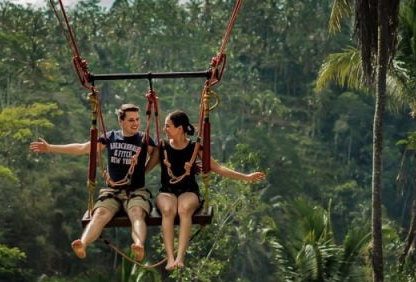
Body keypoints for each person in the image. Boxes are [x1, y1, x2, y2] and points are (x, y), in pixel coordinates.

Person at [29, 103, 158, 261]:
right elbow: (83, 148)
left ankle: (138, 244)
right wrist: (50, 148)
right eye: (131, 120)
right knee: (100, 214)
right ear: (121, 121)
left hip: (135, 190)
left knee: (136, 213)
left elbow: (158, 153)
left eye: (137, 119)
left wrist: (145, 169)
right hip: (112, 191)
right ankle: (82, 243)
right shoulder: (110, 137)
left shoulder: (143, 140)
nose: (136, 123)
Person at [157, 110, 266, 270]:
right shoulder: (163, 147)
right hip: (167, 191)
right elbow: (144, 167)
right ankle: (170, 258)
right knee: (168, 210)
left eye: (168, 126)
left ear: (179, 128)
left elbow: (218, 168)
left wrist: (246, 177)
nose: (164, 130)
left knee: (184, 209)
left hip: (188, 191)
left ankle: (180, 257)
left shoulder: (195, 148)